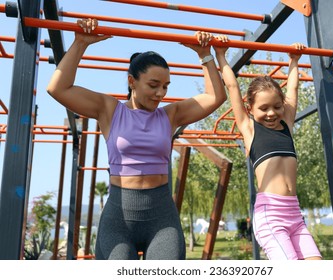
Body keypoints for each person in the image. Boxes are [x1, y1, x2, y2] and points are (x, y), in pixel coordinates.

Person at [46, 18, 227, 260]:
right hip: (119, 219)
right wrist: (80, 43)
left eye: (165, 86)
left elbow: (215, 96)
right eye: (154, 85)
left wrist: (205, 55)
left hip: (162, 218)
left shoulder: (170, 115)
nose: (161, 93)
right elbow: (58, 88)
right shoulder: (109, 110)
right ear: (132, 81)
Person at [213, 35, 322, 260]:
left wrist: (294, 60)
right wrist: (221, 55)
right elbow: (232, 86)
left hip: (294, 214)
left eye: (277, 106)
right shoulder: (249, 129)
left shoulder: (287, 125)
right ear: (250, 108)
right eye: (263, 108)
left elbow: (292, 90)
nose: (271, 112)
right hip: (270, 215)